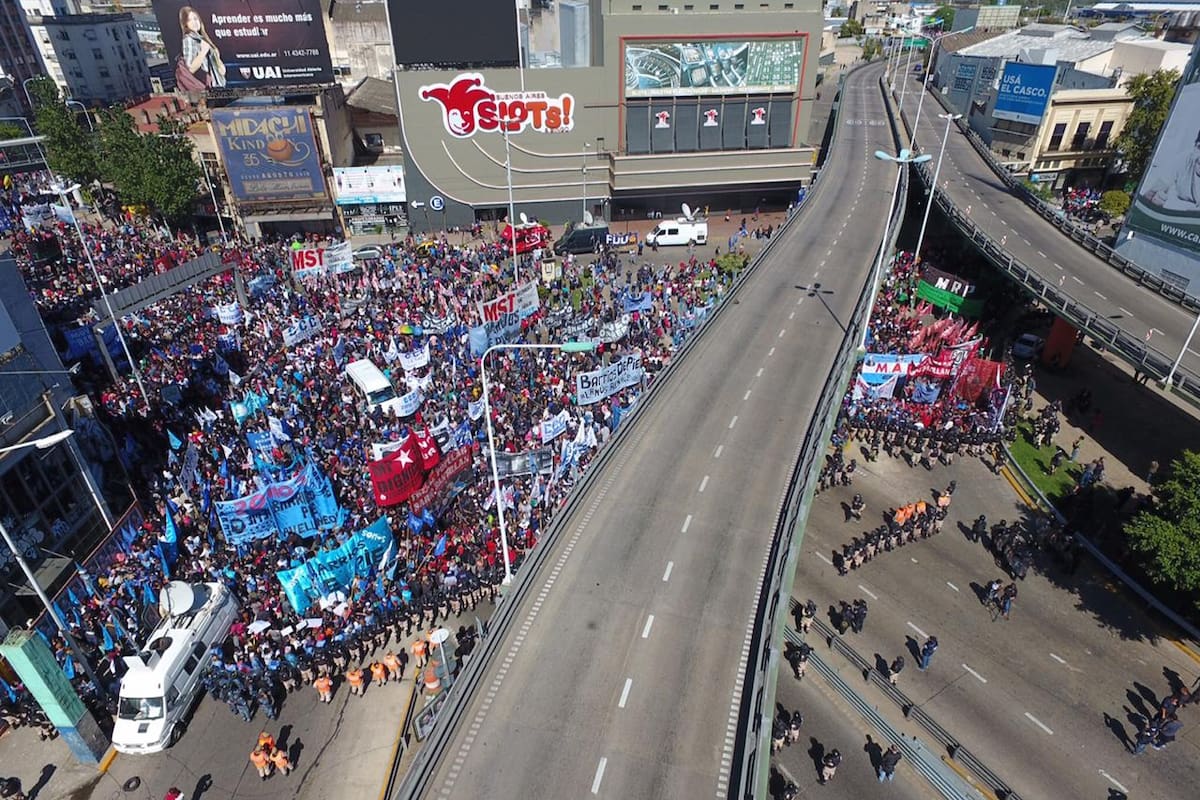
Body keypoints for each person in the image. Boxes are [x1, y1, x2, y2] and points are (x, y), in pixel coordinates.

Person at [178, 6, 226, 88]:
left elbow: (221, 70)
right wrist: (203, 51)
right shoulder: (189, 39)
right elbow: (191, 68)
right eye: (189, 20)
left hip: (218, 85)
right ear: (185, 24)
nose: (194, 22)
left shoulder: (203, 38)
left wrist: (218, 61)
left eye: (195, 19)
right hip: (206, 87)